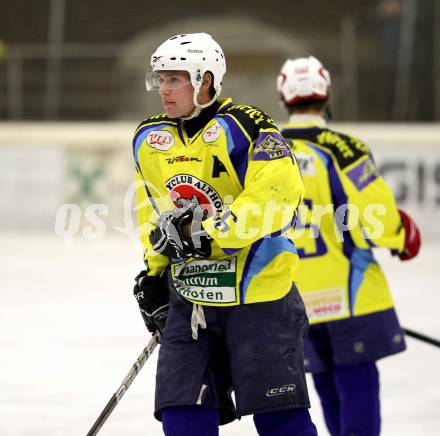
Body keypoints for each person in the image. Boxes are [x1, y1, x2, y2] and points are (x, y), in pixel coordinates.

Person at [132, 33, 318, 436]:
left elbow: (276, 197)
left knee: (279, 418)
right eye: (160, 79)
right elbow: (155, 213)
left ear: (206, 80)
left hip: (260, 295)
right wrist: (153, 271)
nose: (164, 89)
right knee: (182, 413)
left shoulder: (250, 126)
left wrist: (209, 235)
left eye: (175, 79)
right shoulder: (149, 139)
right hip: (192, 296)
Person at [276, 56, 421, 436]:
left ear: (283, 96)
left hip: (293, 299)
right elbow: (377, 215)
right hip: (349, 295)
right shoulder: (343, 147)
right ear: (326, 93)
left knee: (323, 382)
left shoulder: (267, 150)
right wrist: (403, 237)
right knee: (357, 380)